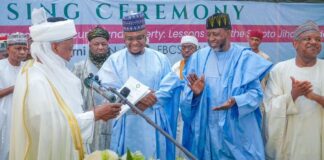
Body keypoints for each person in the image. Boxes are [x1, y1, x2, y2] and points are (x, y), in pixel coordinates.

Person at [9, 8, 121, 160]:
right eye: (69, 49)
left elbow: (66, 115)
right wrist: (94, 115)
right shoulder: (36, 80)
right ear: (54, 47)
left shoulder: (54, 74)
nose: (72, 54)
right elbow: (49, 129)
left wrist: (94, 114)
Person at [180, 13, 272, 159]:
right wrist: (196, 94)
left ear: (229, 32)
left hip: (236, 131)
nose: (211, 39)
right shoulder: (198, 58)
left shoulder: (244, 58)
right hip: (207, 129)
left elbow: (256, 94)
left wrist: (237, 101)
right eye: (208, 34)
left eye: (216, 34)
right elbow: (185, 94)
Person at [97, 12, 174, 160]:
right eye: (130, 39)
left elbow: (170, 86)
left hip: (154, 120)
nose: (135, 42)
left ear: (146, 36)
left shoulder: (160, 59)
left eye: (139, 37)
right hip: (128, 122)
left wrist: (155, 97)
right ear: (123, 38)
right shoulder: (115, 60)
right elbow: (105, 88)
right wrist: (138, 97)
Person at [264, 20, 323, 160]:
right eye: (307, 38)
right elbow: (269, 106)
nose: (313, 42)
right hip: (290, 141)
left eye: (318, 39)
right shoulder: (280, 70)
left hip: (318, 140)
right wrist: (292, 95)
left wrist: (314, 97)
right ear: (295, 44)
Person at [72, 26, 112, 152]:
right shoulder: (79, 68)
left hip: (111, 122)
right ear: (89, 45)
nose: (100, 47)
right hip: (89, 121)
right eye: (96, 44)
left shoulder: (115, 66)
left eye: (103, 44)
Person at [0, 32, 28, 160]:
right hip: (4, 114)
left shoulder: (29, 67)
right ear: (8, 49)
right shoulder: (1, 67)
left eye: (25, 48)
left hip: (24, 114)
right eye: (18, 48)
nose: (22, 52)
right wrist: (16, 87)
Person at [171, 35, 198, 157]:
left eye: (190, 47)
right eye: (184, 47)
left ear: (196, 49)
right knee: (178, 139)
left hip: (195, 110)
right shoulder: (176, 66)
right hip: (179, 112)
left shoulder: (201, 65)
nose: (186, 50)